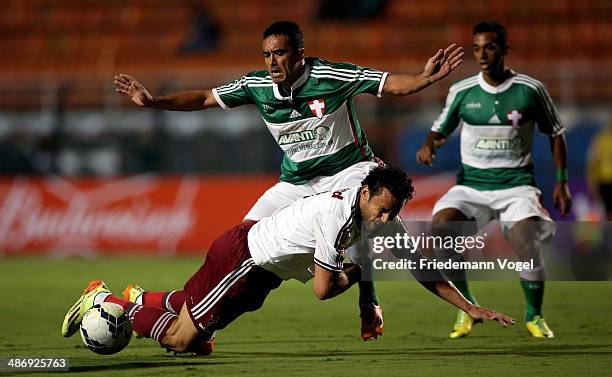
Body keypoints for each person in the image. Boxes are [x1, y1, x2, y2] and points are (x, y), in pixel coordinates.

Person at [114, 20, 464, 340]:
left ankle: (368, 303)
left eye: (279, 53)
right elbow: (205, 97)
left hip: (346, 172)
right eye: (266, 54)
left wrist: (424, 78)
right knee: (243, 251)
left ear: (299, 54)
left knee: (370, 234)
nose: (271, 62)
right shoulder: (257, 85)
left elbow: (388, 85)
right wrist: (153, 101)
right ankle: (174, 311)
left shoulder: (330, 77)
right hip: (295, 182)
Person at [61, 166, 515, 355]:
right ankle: (111, 302)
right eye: (382, 209)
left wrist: (470, 308)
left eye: (394, 212)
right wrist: (364, 269)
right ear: (364, 195)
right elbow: (323, 290)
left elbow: (419, 265)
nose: (387, 219)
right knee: (183, 342)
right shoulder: (341, 216)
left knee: (194, 325)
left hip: (261, 271)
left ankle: (141, 297)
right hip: (245, 261)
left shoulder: (374, 209)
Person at [416, 21, 572, 339]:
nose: (482, 54)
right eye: (476, 48)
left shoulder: (530, 89)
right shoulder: (462, 91)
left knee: (524, 241)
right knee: (443, 230)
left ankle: (535, 315)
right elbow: (440, 128)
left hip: (517, 187)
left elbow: (556, 133)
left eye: (489, 46)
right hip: (472, 187)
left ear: (503, 49)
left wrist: (561, 181)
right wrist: (429, 143)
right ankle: (468, 308)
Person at [586, 120, 612, 221]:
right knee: (607, 213)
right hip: (605, 182)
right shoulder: (600, 140)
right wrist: (592, 183)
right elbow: (592, 163)